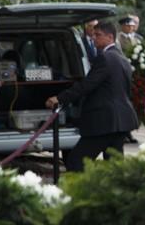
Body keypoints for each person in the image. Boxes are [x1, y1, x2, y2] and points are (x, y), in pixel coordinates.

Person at [45, 21, 138, 171]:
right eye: (93, 35)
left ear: (110, 37)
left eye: (98, 35)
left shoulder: (105, 58)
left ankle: (78, 193)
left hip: (105, 120)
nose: (94, 38)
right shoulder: (122, 58)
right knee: (115, 166)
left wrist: (60, 98)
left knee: (77, 162)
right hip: (121, 120)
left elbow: (87, 85)